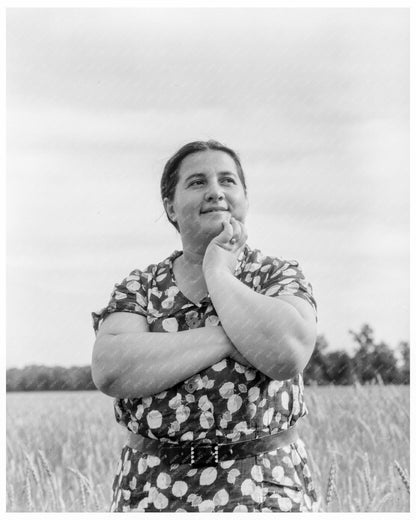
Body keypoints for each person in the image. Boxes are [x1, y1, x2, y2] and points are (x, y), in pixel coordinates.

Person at [91, 140, 320, 512]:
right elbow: (111, 369)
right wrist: (232, 337)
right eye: (197, 182)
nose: (215, 191)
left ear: (244, 197)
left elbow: (286, 354)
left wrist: (217, 270)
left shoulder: (275, 275)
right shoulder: (141, 286)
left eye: (227, 181)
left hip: (263, 488)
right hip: (152, 490)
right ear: (170, 207)